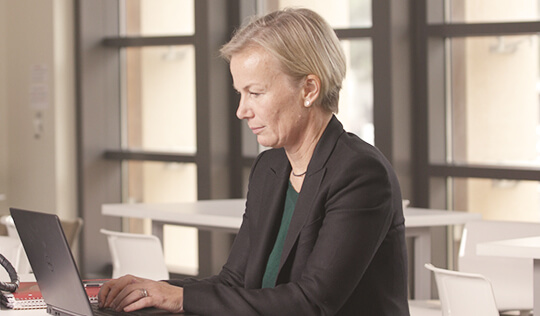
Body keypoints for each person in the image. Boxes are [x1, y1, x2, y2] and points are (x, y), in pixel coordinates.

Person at [98, 7, 410, 315]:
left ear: (309, 89)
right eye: (240, 93)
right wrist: (155, 291)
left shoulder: (361, 174)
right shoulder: (269, 169)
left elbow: (312, 303)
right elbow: (234, 282)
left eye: (255, 93)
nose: (242, 110)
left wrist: (179, 299)